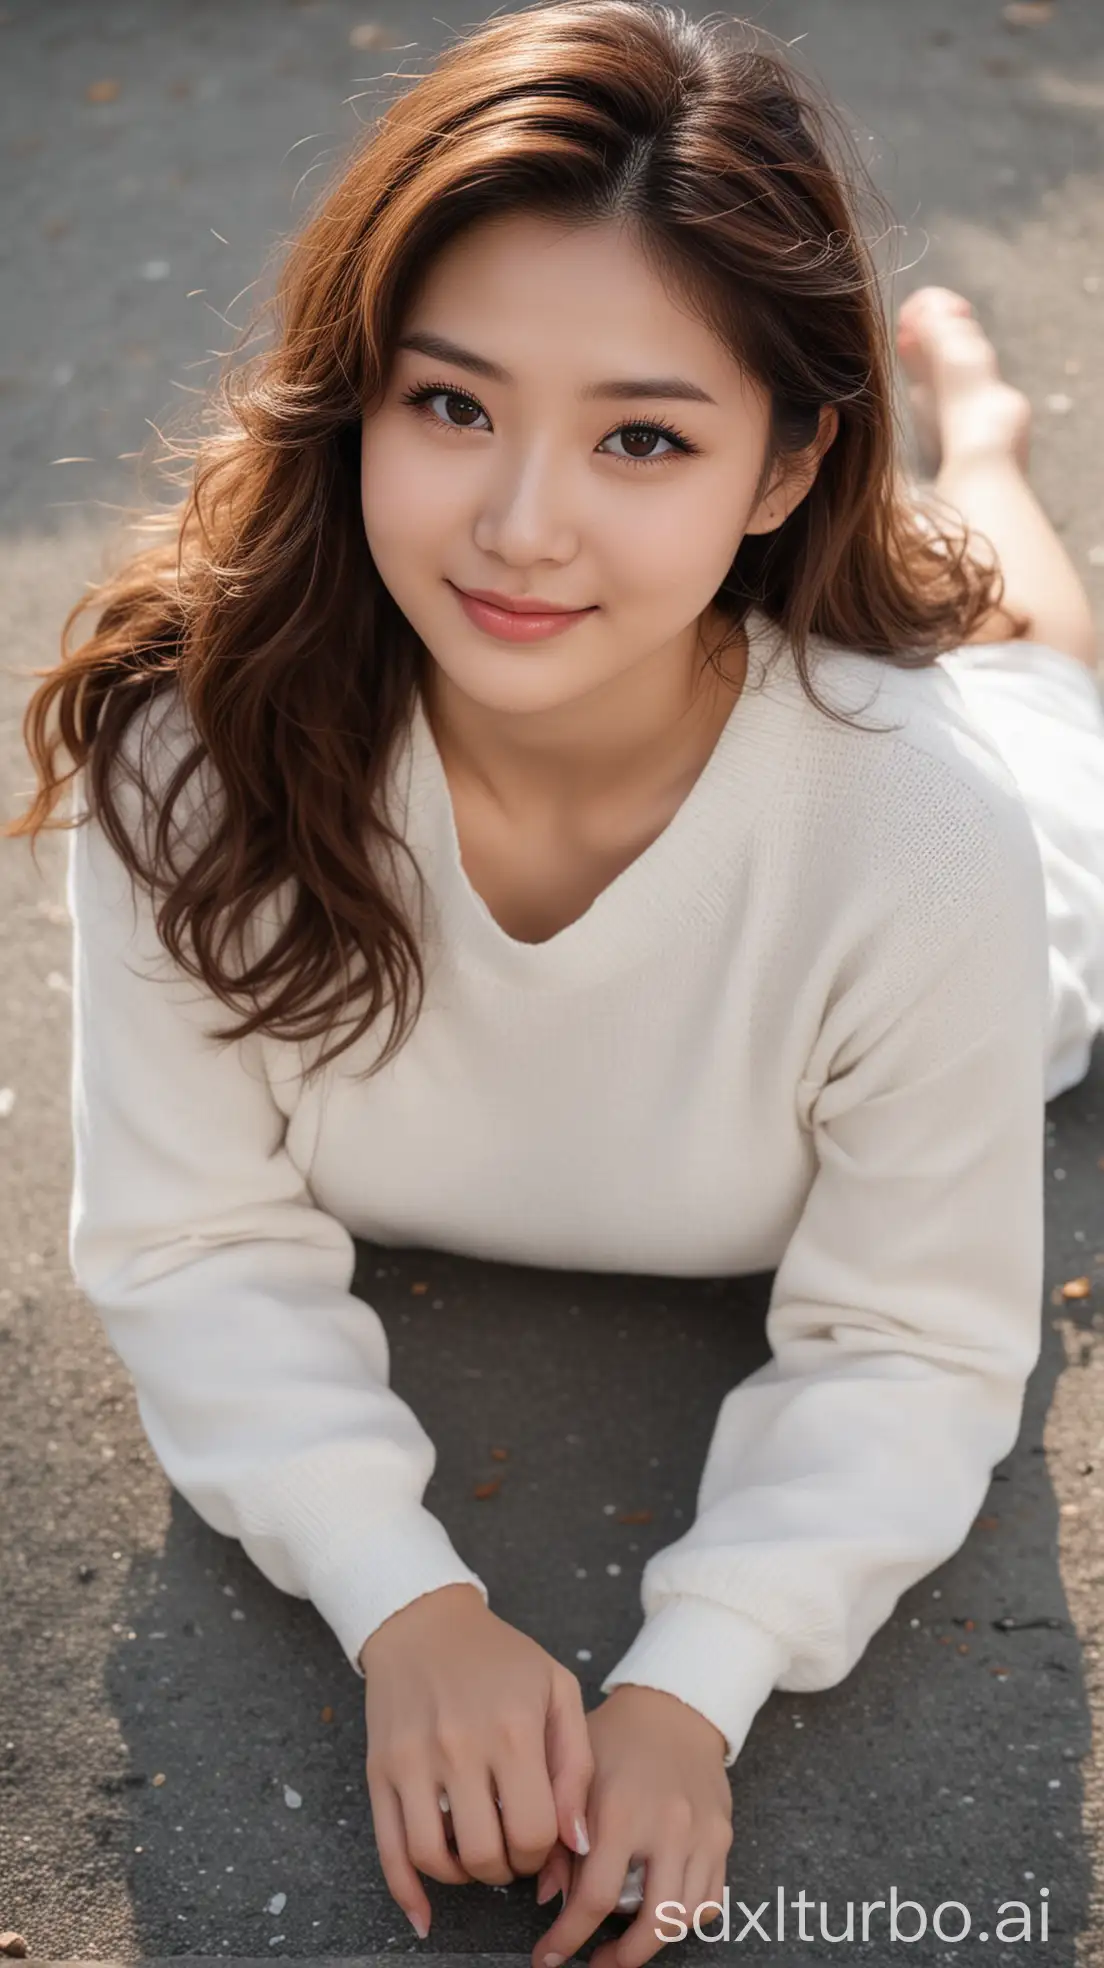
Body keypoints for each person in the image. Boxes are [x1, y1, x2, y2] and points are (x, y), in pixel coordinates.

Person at [7, 3, 1102, 1964]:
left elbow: (922, 1349)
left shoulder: (921, 842)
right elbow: (186, 1242)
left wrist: (699, 1677)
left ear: (779, 468)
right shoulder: (197, 757)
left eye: (644, 436)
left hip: (1007, 871)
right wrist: (402, 1601)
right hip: (785, 689)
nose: (521, 523)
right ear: (357, 399)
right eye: (453, 407)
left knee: (1023, 676)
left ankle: (990, 446)